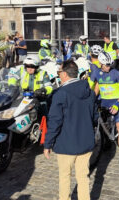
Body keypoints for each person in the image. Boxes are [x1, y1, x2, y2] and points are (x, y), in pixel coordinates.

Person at [44, 60, 97, 200]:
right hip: (85, 142)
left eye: (59, 72)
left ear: (65, 74)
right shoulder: (90, 92)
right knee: (83, 177)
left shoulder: (60, 94)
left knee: (65, 177)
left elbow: (54, 121)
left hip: (66, 143)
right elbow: (94, 117)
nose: (58, 75)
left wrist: (47, 144)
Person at [92, 52, 119, 148]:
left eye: (110, 64)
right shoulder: (96, 73)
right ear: (100, 64)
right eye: (107, 65)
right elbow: (95, 89)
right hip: (103, 101)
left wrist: (117, 104)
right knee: (101, 123)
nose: (109, 67)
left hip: (115, 101)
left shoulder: (116, 73)